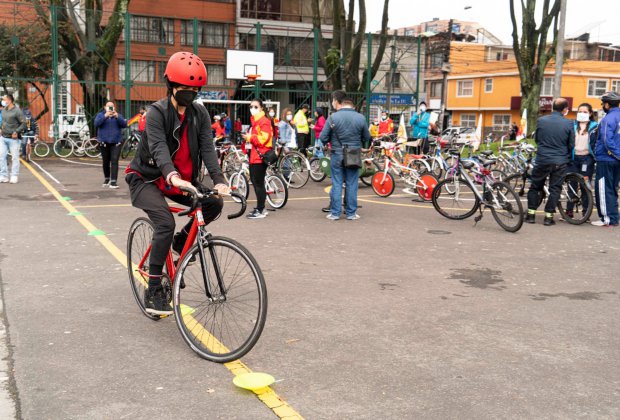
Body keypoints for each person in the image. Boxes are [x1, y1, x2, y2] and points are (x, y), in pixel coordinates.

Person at [125, 51, 229, 315]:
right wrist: (172, 176)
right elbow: (159, 148)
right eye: (184, 87)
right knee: (164, 222)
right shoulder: (156, 113)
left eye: (194, 89)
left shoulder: (200, 114)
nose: (189, 93)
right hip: (147, 178)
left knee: (214, 203)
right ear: (170, 85)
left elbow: (207, 148)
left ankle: (180, 245)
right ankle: (154, 289)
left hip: (182, 181)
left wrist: (219, 180)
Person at [319, 90, 371, 220]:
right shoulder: (360, 118)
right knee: (352, 183)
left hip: (337, 154)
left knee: (337, 183)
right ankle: (351, 213)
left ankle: (335, 213)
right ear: (353, 106)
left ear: (339, 103)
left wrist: (331, 140)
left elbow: (323, 137)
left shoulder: (332, 118)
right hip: (353, 153)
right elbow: (367, 137)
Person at [525, 98, 574, 226]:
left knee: (535, 186)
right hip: (560, 161)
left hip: (542, 159)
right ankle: (548, 217)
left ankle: (531, 215)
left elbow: (537, 139)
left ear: (553, 107)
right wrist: (566, 156)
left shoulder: (541, 120)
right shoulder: (569, 123)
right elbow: (571, 144)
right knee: (555, 189)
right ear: (565, 109)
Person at [592, 91, 620, 227]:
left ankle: (607, 219)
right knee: (613, 188)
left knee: (603, 188)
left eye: (603, 103)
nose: (602, 105)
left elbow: (606, 140)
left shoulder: (608, 119)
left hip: (607, 158)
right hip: (616, 161)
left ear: (608, 104)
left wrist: (616, 154)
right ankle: (614, 217)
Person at [565, 103, 597, 218]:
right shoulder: (572, 125)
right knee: (571, 185)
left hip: (587, 159)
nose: (582, 114)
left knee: (585, 186)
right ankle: (569, 212)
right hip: (573, 159)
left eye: (585, 112)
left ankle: (585, 212)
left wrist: (593, 158)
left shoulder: (595, 126)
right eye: (580, 111)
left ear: (590, 113)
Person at [245, 98, 274, 219]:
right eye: (251, 106)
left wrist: (249, 138)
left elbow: (263, 140)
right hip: (255, 156)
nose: (253, 109)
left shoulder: (264, 121)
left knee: (258, 184)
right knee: (257, 183)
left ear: (261, 108)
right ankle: (260, 208)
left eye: (256, 107)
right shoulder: (256, 121)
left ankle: (261, 209)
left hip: (259, 157)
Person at [95, 101, 127, 189]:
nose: (110, 108)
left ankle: (113, 182)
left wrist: (117, 117)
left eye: (112, 106)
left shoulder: (118, 115)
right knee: (105, 161)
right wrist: (105, 116)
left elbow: (124, 125)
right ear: (105, 107)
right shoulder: (100, 115)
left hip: (116, 142)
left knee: (114, 160)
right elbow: (96, 124)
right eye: (108, 107)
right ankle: (107, 178)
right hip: (104, 142)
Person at [0, 94, 25, 184]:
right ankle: (4, 176)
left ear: (9, 100)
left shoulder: (17, 111)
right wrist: (0, 128)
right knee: (1, 157)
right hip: (3, 138)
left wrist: (16, 132)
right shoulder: (3, 110)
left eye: (4, 99)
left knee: (14, 158)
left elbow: (23, 124)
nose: (3, 101)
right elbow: (2, 122)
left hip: (13, 139)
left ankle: (14, 175)